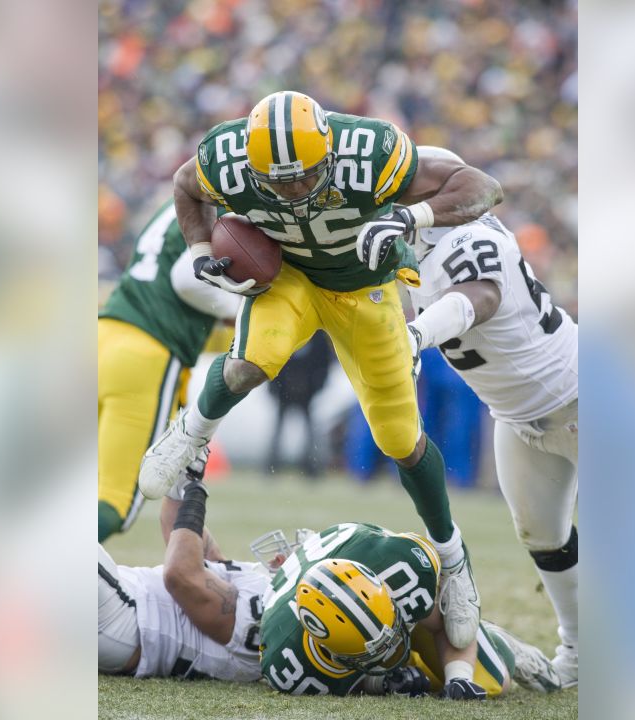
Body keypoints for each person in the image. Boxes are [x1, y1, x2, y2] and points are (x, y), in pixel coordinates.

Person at [138, 90, 505, 651]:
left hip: (363, 284)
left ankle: (454, 562)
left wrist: (413, 215)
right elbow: (188, 186)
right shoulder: (227, 157)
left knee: (400, 439)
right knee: (251, 362)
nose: (291, 190)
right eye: (276, 180)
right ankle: (190, 434)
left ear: (329, 150)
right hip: (288, 277)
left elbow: (481, 185)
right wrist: (197, 257)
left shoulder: (370, 150)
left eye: (303, 176)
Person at [403, 186, 580, 688]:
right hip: (517, 418)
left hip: (579, 397)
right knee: (543, 537)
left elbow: (476, 297)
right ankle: (580, 650)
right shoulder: (428, 254)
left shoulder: (470, 242)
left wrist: (416, 335)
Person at [257, 521, 565, 699]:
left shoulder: (399, 575)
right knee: (409, 676)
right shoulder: (287, 664)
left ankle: (499, 640)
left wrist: (459, 678)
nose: (393, 647)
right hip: (312, 585)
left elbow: (448, 615)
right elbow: (345, 682)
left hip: (363, 557)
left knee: (491, 682)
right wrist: (382, 682)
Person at [98, 199, 240, 541]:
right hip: (145, 353)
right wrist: (241, 307)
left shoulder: (183, 198)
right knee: (115, 502)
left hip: (104, 335)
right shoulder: (231, 204)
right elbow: (187, 279)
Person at [98, 456, 268, 680]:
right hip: (122, 615)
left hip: (127, 619)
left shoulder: (264, 614)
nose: (284, 555)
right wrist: (184, 472)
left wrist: (195, 491)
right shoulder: (261, 597)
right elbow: (180, 535)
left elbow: (180, 575)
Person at [264, 333, 333, 477]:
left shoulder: (316, 335)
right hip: (285, 390)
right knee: (283, 429)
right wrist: (278, 387)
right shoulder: (295, 332)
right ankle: (272, 465)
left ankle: (310, 466)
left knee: (309, 431)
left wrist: (313, 386)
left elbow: (324, 362)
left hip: (306, 391)